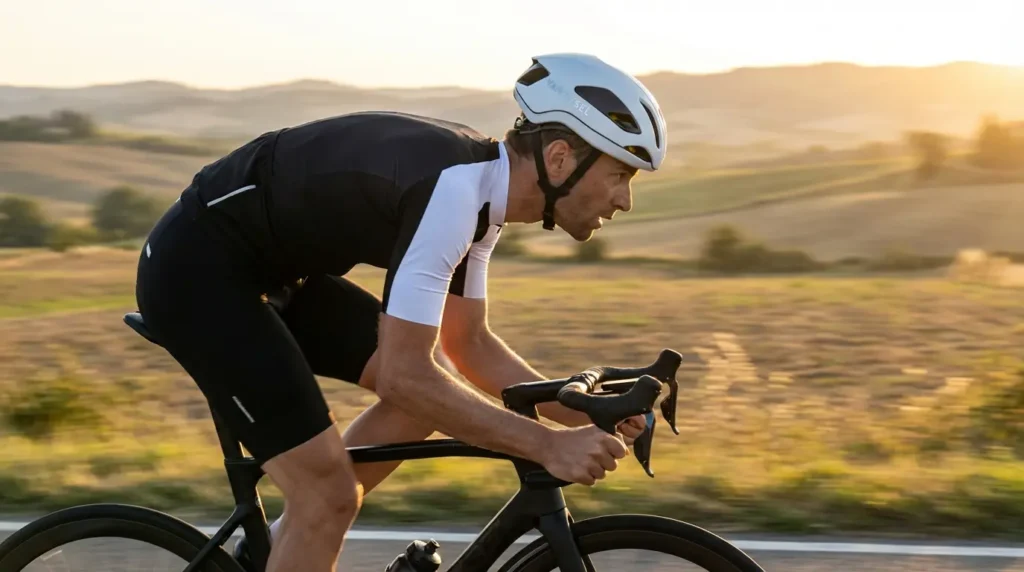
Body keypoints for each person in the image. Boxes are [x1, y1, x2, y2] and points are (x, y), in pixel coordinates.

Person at [134, 52, 668, 572]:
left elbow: (469, 344)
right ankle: (307, 524)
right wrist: (547, 444)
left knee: (431, 400)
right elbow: (403, 374)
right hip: (199, 274)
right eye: (621, 175)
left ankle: (283, 546)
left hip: (270, 274)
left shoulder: (484, 197)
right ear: (559, 159)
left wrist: (582, 413)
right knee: (330, 493)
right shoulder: (454, 192)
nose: (624, 200)